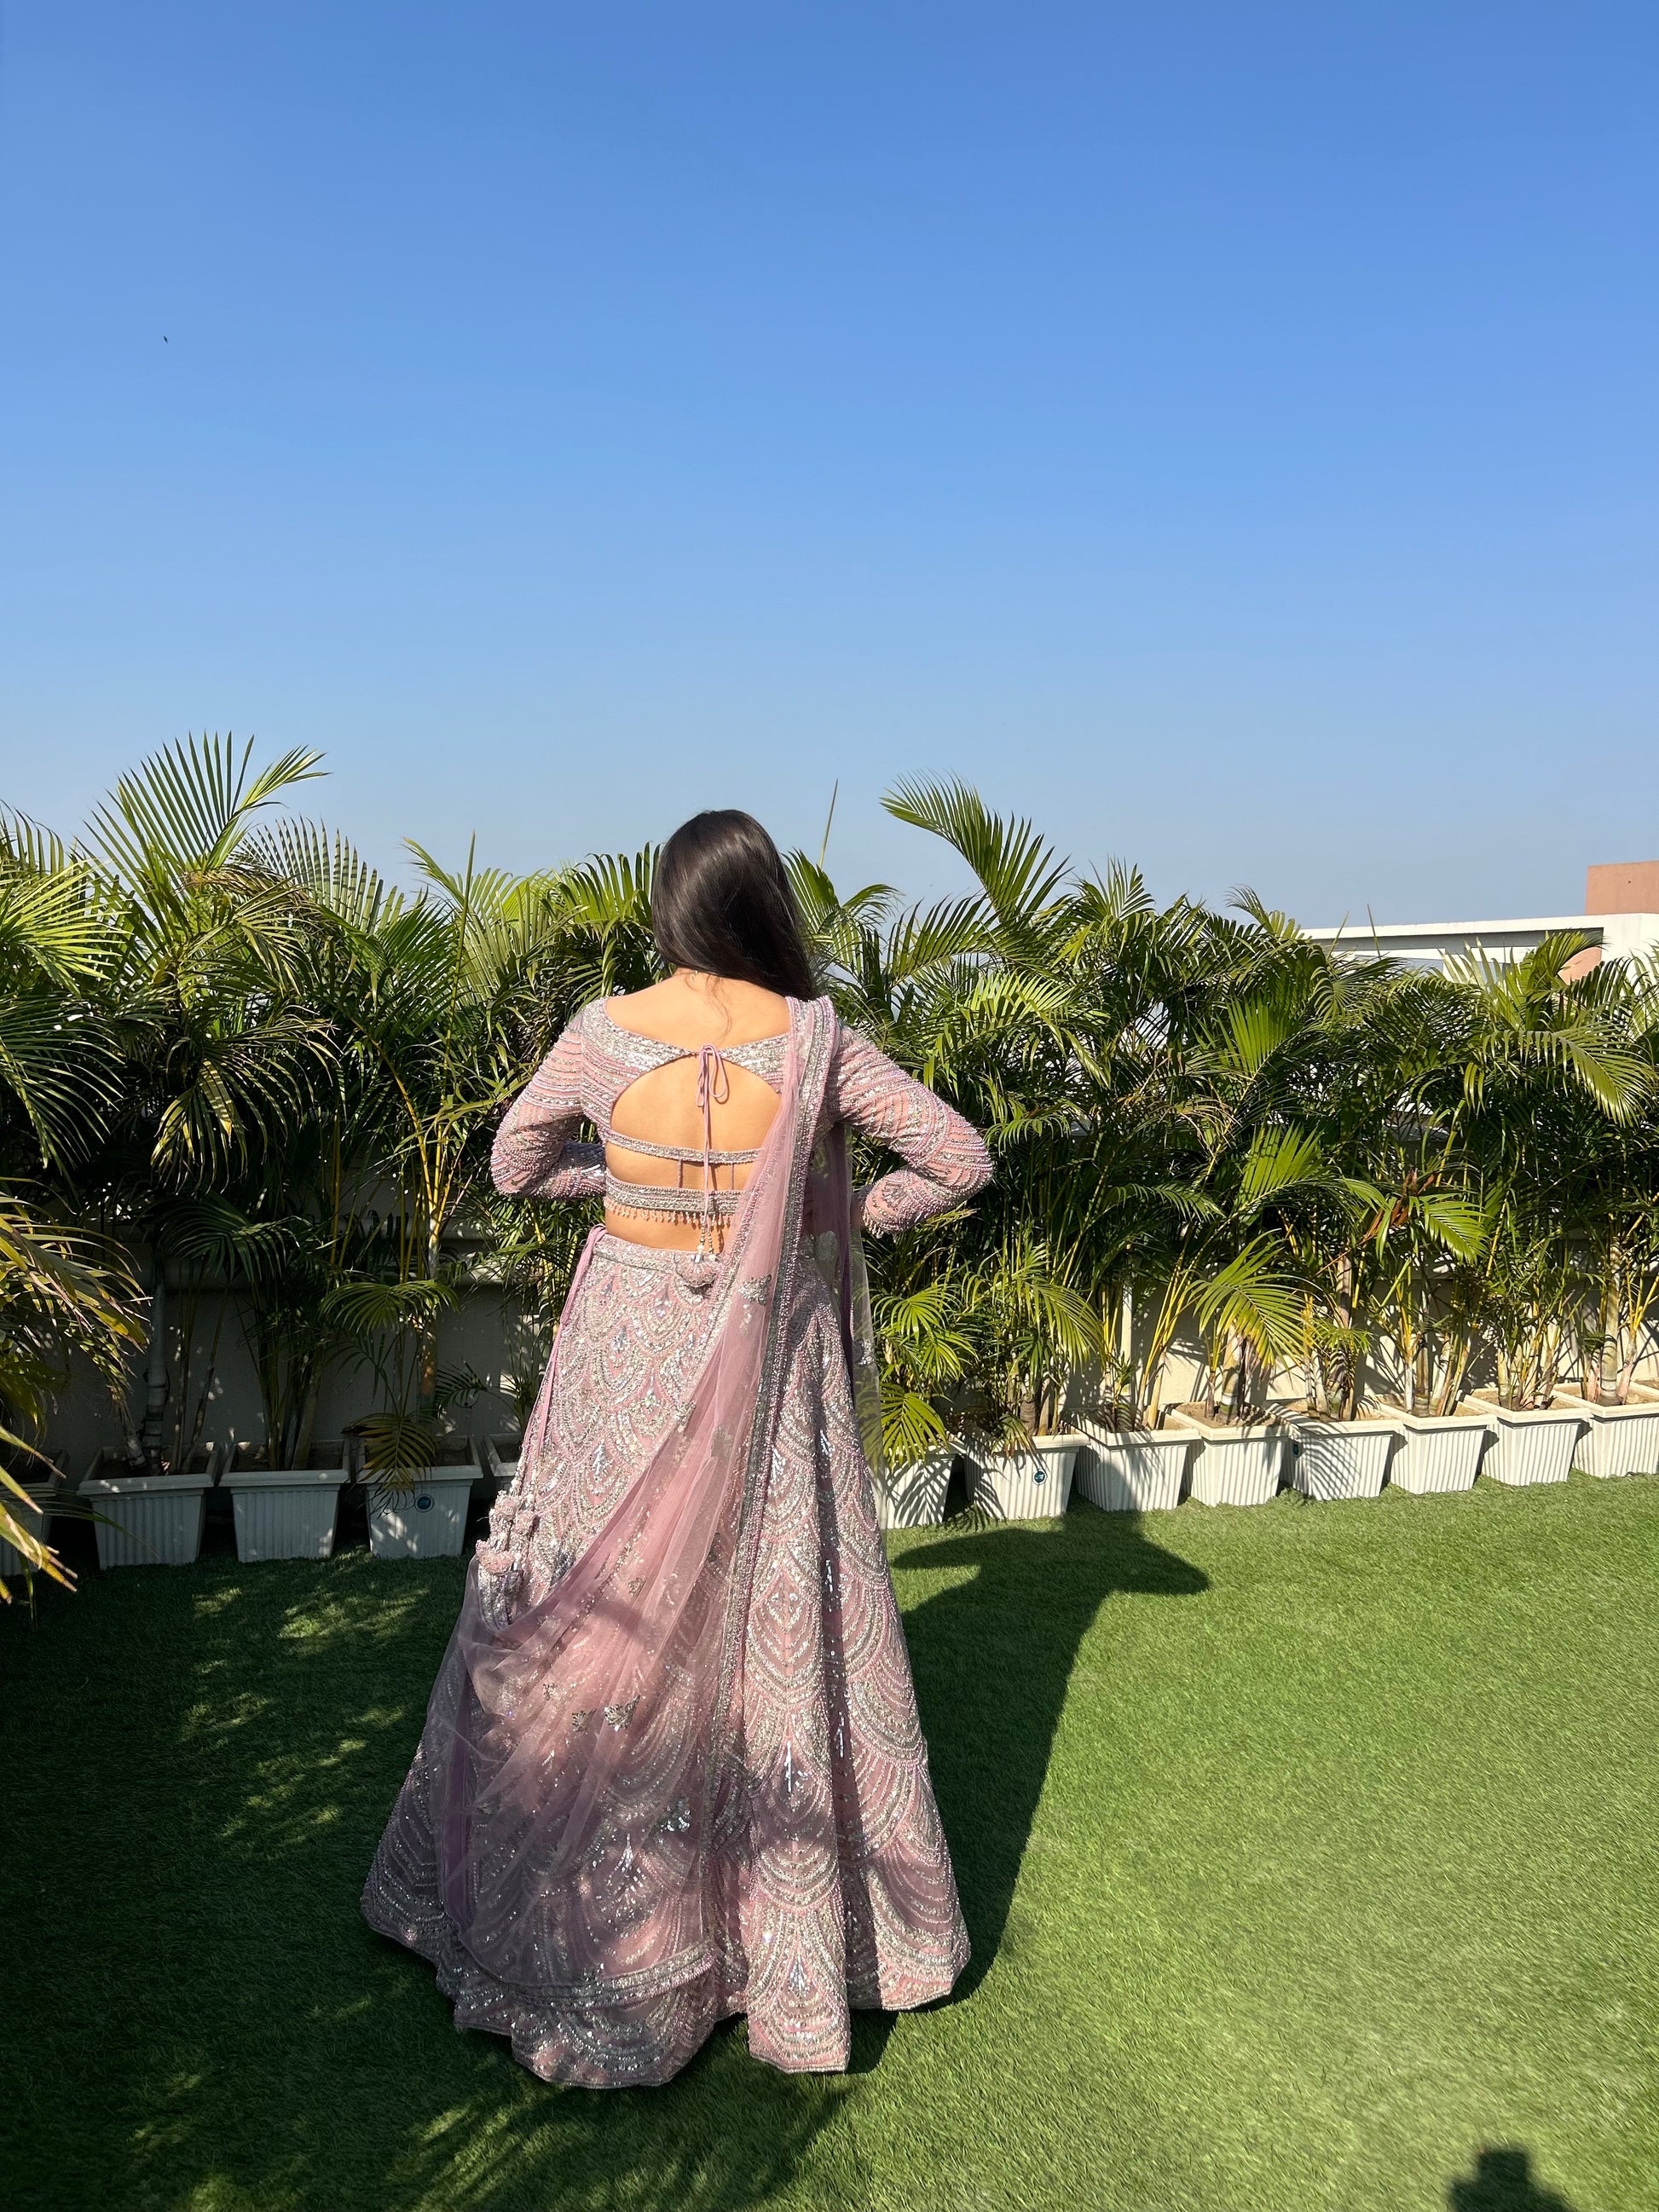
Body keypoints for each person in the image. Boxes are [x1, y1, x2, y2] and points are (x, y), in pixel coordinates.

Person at [362, 808, 992, 2087]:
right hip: (768, 1358)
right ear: (763, 906)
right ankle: (777, 1947)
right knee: (764, 1606)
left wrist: (615, 1186)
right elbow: (959, 1160)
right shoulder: (815, 1041)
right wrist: (842, 1209)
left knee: (603, 1606)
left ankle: (602, 1931)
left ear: (669, 911)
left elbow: (514, 1164)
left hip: (629, 1348)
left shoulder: (602, 1034)